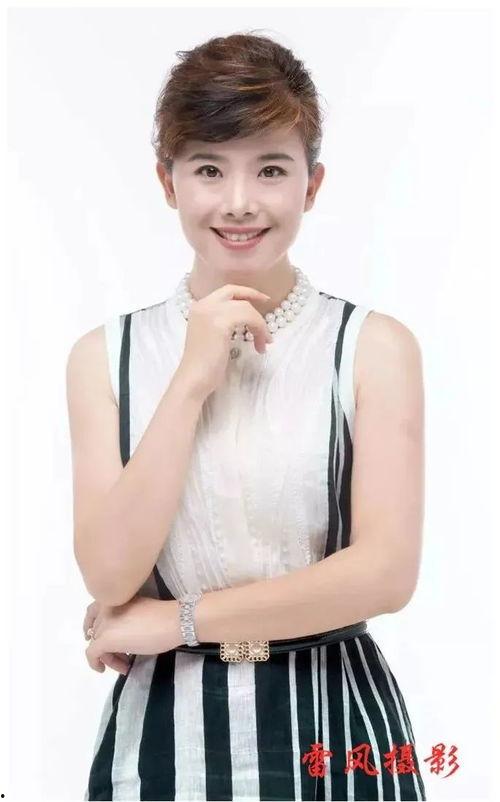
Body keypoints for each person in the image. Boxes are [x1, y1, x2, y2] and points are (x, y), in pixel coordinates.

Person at [66, 30, 426, 802]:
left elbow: (385, 572)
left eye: (270, 169)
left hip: (338, 730)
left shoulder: (372, 347)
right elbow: (109, 572)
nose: (238, 202)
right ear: (167, 182)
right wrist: (191, 381)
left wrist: (176, 622)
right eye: (208, 169)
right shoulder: (105, 356)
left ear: (312, 184)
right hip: (160, 747)